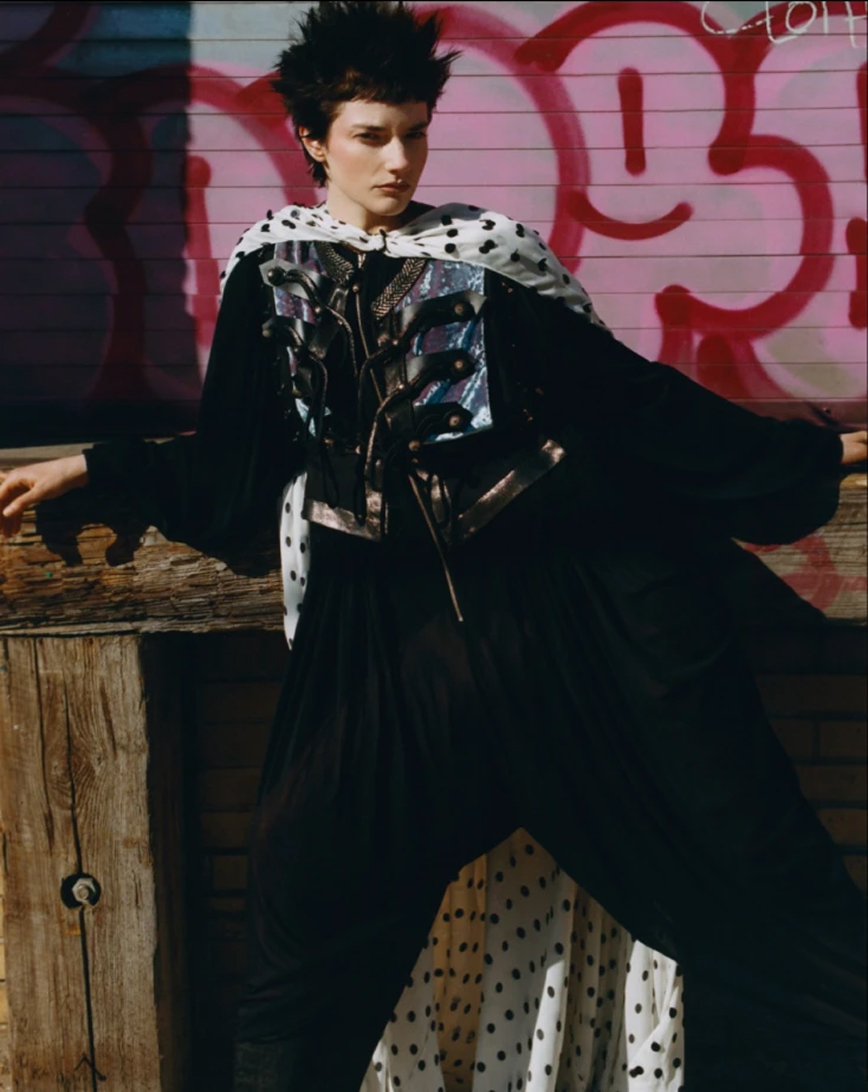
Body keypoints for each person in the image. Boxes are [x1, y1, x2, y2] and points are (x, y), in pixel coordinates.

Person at [1, 3, 866, 1089]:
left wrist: (816, 454)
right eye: (371, 135)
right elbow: (235, 470)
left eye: (414, 132)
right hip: (383, 638)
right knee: (303, 886)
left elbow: (633, 402)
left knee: (746, 862)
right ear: (314, 139)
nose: (399, 160)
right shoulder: (267, 270)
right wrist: (97, 465)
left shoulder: (489, 257)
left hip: (563, 619)